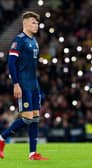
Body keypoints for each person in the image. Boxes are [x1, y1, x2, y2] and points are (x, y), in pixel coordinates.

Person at [0, 11, 48, 160]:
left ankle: (32, 153)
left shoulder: (34, 41)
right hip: (24, 84)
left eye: (37, 23)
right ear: (25, 23)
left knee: (35, 118)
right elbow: (11, 63)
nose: (36, 25)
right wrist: (16, 84)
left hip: (34, 85)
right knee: (27, 118)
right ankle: (1, 138)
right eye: (33, 22)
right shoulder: (19, 40)